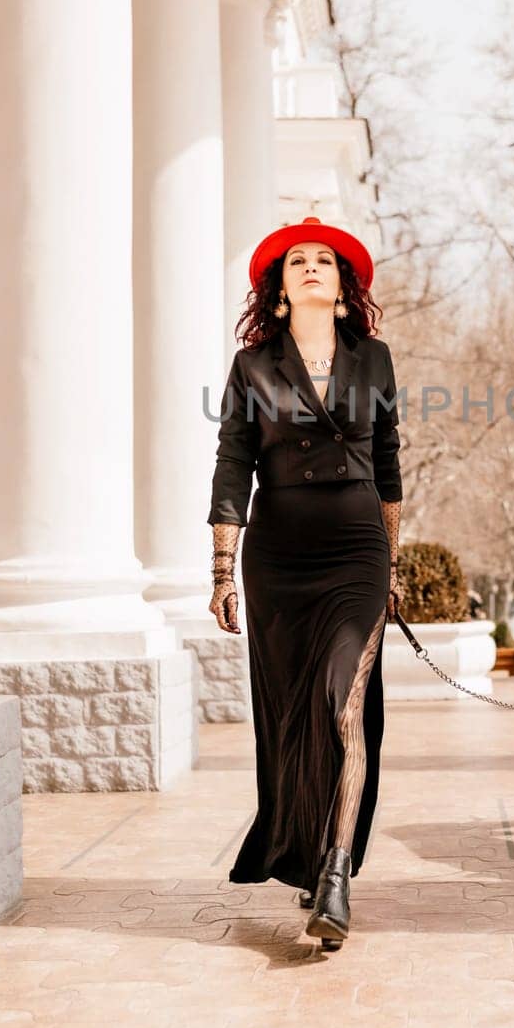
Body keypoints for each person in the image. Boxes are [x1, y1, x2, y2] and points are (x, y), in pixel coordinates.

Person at [207, 215, 404, 952]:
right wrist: (223, 570)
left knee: (341, 704)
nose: (313, 268)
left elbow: (387, 464)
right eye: (299, 264)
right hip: (279, 554)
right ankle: (304, 849)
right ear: (281, 290)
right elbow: (232, 464)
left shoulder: (374, 359)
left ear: (344, 289)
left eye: (325, 261)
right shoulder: (252, 366)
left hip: (356, 549)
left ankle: (333, 874)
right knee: (295, 716)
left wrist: (393, 566)